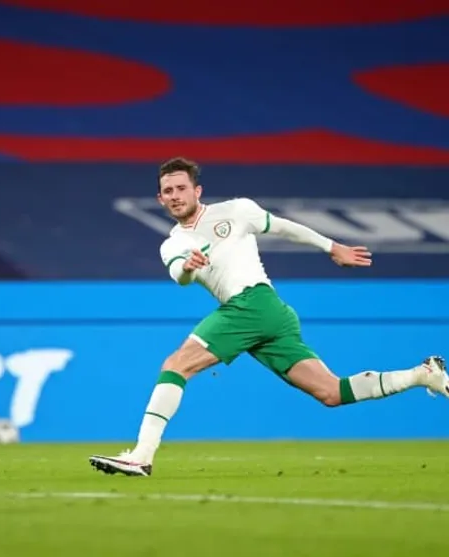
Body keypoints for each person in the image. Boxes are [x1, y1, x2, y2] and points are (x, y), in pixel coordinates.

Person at [89, 157, 448, 477]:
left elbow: (284, 227)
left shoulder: (236, 210)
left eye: (181, 188)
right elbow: (179, 276)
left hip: (253, 303)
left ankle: (142, 456)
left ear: (197, 191)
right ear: (160, 199)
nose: (175, 195)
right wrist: (188, 266)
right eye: (168, 191)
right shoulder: (173, 243)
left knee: (175, 365)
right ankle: (421, 375)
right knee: (330, 392)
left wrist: (332, 247)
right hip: (270, 315)